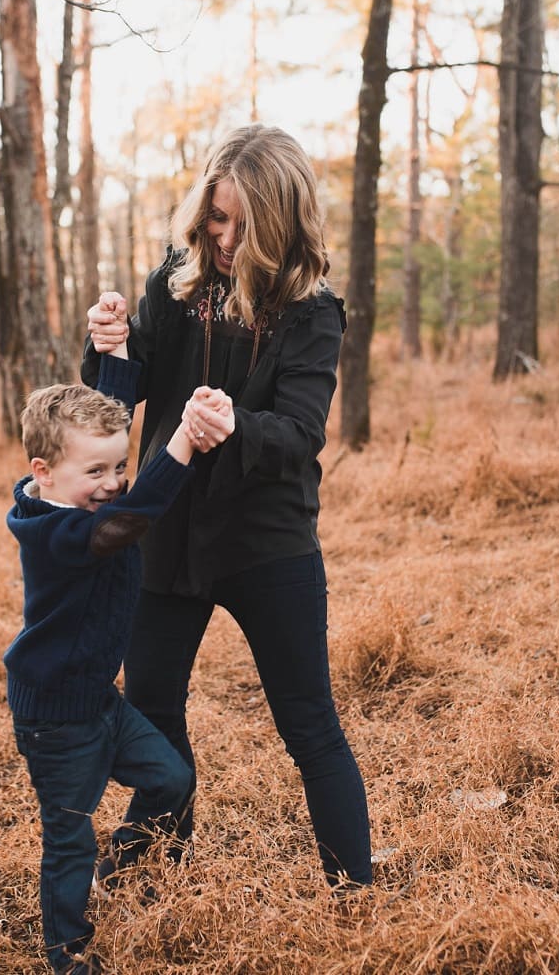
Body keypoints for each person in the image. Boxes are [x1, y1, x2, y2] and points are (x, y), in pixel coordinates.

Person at [82, 123, 372, 889]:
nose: (225, 237)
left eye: (245, 225)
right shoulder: (176, 283)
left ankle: (357, 896)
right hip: (166, 530)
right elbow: (122, 397)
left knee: (309, 727)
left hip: (265, 541)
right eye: (216, 218)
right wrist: (111, 348)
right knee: (150, 707)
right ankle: (163, 856)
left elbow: (301, 435)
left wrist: (237, 423)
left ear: (282, 224)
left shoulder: (312, 311)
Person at [4, 353, 230, 974]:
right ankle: (66, 953)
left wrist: (119, 357)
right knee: (69, 836)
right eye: (96, 471)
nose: (112, 482)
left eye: (120, 467)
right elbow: (129, 520)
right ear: (42, 473)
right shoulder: (58, 534)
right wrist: (183, 439)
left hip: (101, 701)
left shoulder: (78, 497)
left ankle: (119, 862)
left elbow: (111, 423)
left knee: (171, 780)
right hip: (56, 717)